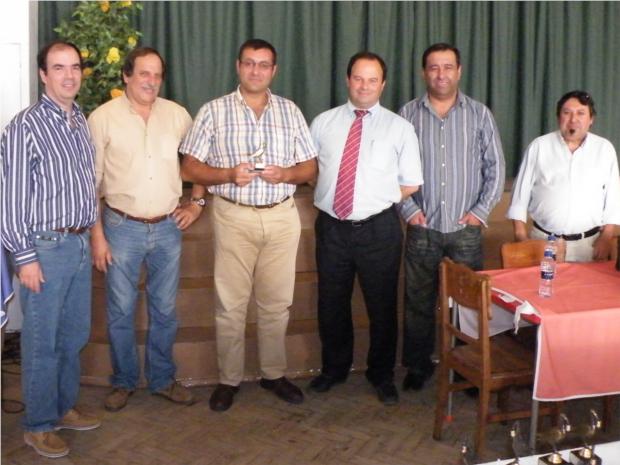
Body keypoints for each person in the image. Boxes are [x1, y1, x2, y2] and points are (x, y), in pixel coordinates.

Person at [179, 39, 317, 412]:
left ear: (274, 70)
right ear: (238, 66)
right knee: (231, 304)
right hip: (233, 215)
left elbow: (310, 166)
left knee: (277, 303)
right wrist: (227, 174)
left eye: (264, 64)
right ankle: (229, 380)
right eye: (250, 63)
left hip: (281, 215)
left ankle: (273, 374)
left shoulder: (290, 111)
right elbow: (189, 167)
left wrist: (287, 174)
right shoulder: (214, 111)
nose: (256, 70)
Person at [88, 47, 206, 412]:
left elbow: (200, 161)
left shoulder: (177, 115)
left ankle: (162, 379)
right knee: (121, 310)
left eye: (156, 74)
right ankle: (123, 381)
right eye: (143, 73)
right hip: (120, 228)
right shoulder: (102, 118)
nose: (151, 81)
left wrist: (197, 202)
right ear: (126, 75)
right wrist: (97, 237)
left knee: (165, 310)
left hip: (168, 227)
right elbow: (90, 185)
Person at [0, 40, 100, 459]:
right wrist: (24, 258)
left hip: (77, 243)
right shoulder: (25, 126)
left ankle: (62, 407)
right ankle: (38, 425)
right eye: (58, 67)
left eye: (74, 67)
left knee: (72, 335)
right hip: (45, 249)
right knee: (42, 341)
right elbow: (10, 202)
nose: (69, 75)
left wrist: (91, 235)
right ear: (43, 74)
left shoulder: (79, 120)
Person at [308, 52, 423, 405]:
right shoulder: (323, 123)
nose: (364, 86)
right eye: (358, 78)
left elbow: (412, 182)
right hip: (332, 228)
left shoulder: (399, 128)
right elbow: (310, 171)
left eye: (372, 80)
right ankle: (334, 369)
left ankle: (381, 374)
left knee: (382, 306)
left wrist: (375, 197)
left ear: (382, 84)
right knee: (331, 303)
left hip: (379, 229)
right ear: (348, 80)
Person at [398, 43, 505, 391]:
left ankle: (467, 367)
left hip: (465, 230)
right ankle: (418, 367)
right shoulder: (407, 115)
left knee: (468, 304)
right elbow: (391, 169)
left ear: (459, 71)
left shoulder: (479, 114)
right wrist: (409, 211)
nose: (440, 74)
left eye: (447, 67)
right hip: (422, 228)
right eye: (433, 67)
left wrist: (479, 213)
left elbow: (495, 168)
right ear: (423, 72)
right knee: (417, 302)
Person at [507, 90, 620, 262]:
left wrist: (606, 236)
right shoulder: (539, 146)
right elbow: (519, 197)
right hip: (544, 242)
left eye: (581, 113)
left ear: (591, 119)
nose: (573, 119)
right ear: (558, 117)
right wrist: (521, 236)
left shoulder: (604, 149)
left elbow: (613, 197)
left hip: (589, 245)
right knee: (541, 281)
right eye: (567, 113)